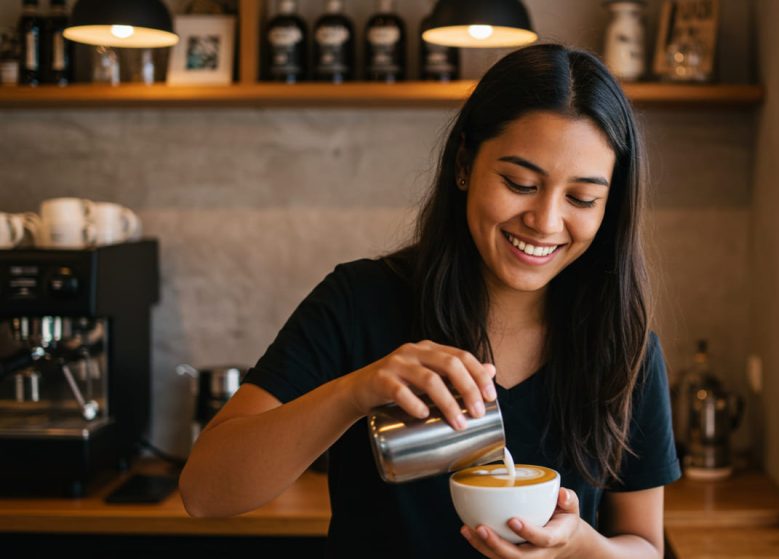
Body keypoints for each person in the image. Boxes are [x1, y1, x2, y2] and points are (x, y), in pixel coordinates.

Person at [179, 43, 680, 558]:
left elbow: (644, 545)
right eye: (520, 183)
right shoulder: (360, 302)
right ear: (464, 164)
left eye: (581, 198)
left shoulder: (622, 346)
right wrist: (355, 392)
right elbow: (204, 492)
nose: (546, 221)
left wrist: (579, 545)